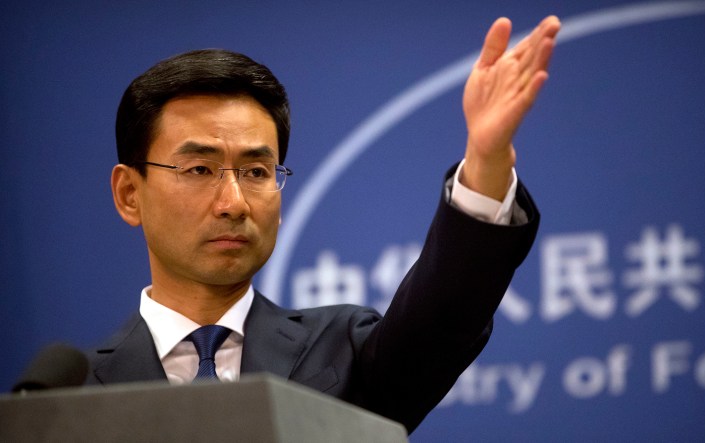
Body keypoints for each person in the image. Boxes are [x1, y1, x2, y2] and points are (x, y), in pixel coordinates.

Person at [88, 16, 561, 433]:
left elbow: (443, 319)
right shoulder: (69, 394)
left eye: (256, 172)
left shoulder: (343, 352)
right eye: (199, 170)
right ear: (130, 194)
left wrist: (485, 161)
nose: (233, 203)